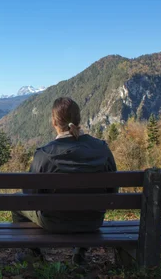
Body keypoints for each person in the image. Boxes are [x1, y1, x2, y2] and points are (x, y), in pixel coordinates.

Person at [12, 97, 118, 264]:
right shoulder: (102, 149)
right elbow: (113, 190)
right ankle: (80, 252)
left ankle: (33, 253)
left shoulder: (45, 154)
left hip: (54, 222)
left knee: (17, 202)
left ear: (54, 122)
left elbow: (29, 197)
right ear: (79, 120)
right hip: (92, 221)